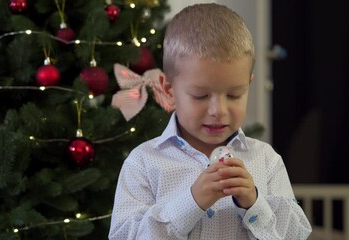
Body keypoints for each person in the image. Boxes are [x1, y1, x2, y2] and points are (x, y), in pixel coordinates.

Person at [109, 3, 312, 239]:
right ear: (168, 89)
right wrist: (191, 203)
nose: (219, 111)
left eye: (235, 95)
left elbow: (296, 234)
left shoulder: (266, 161)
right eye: (201, 96)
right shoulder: (144, 163)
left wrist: (254, 204)